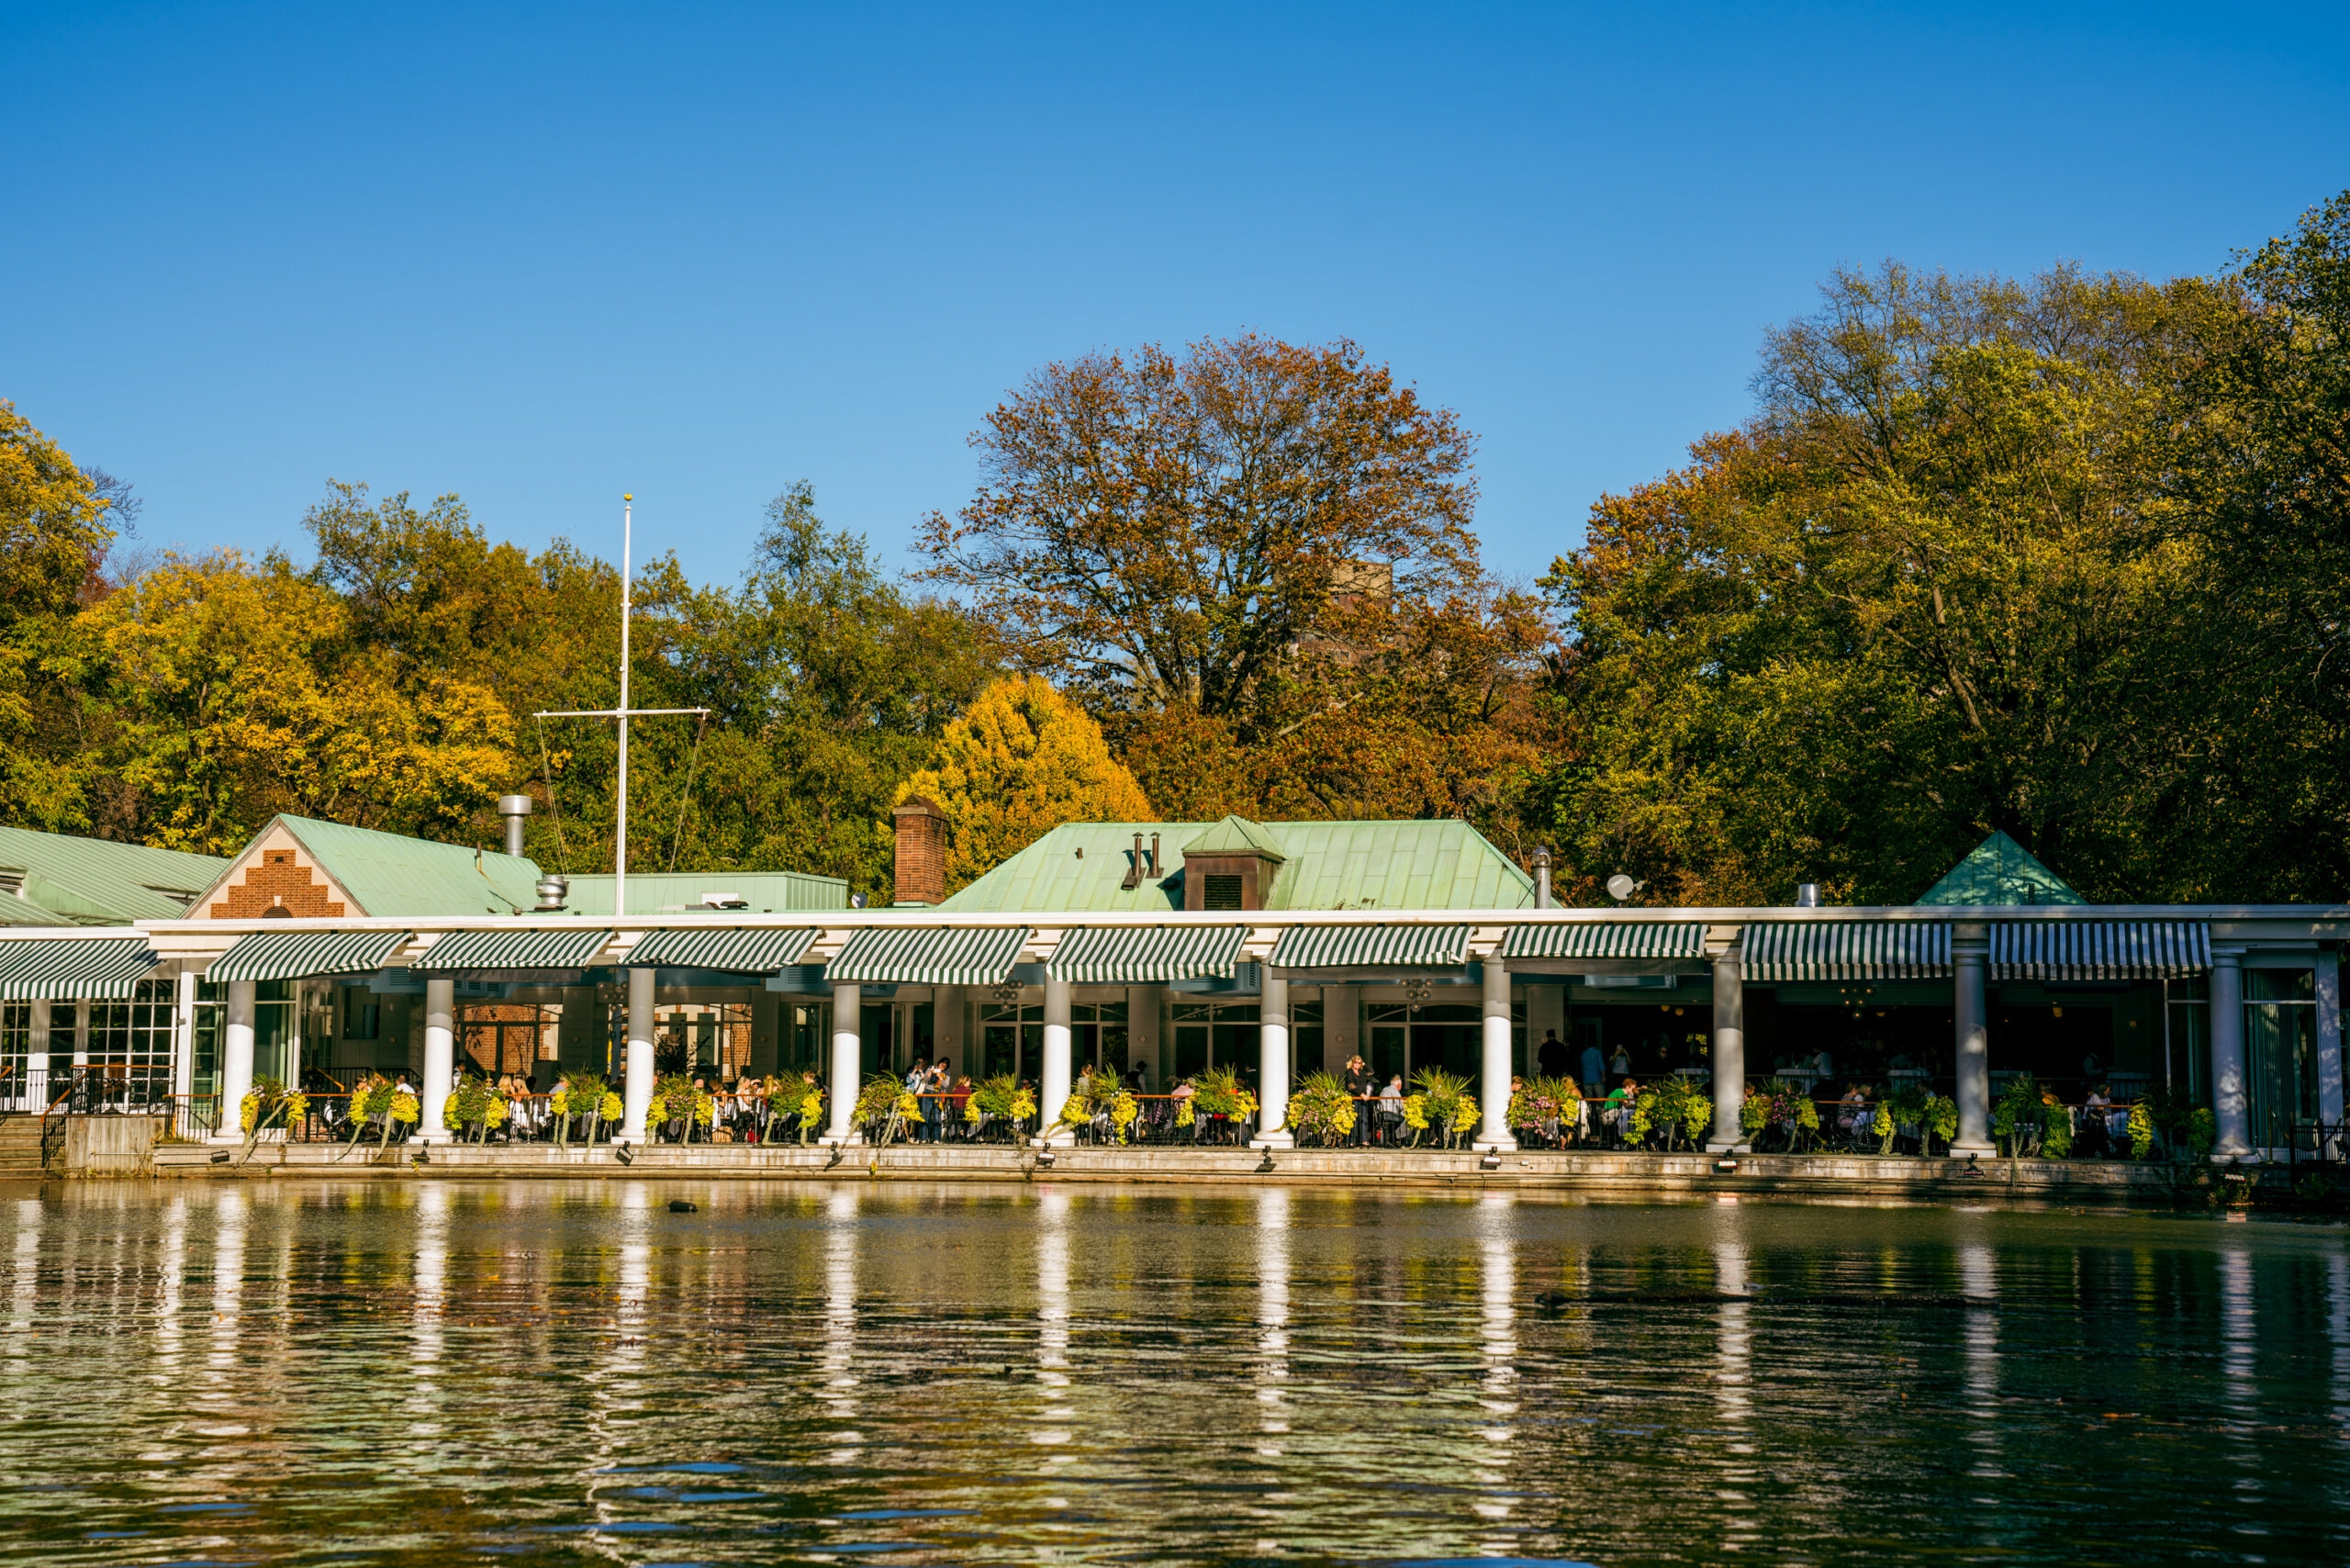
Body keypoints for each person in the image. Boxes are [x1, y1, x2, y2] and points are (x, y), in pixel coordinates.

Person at [1345, 1055, 1377, 1146]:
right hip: (1354, 1098)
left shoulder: (1362, 1072)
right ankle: (1352, 1140)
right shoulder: (1349, 1072)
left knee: (1364, 1119)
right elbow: (1351, 1086)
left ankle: (1364, 1140)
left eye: (1359, 1063)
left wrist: (1364, 1064)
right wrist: (1362, 1094)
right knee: (1354, 1119)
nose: (1357, 1064)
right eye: (1356, 1062)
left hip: (1362, 1099)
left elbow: (1371, 1072)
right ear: (1352, 1063)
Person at [1377, 1074, 1404, 1145]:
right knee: (1406, 1120)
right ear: (1398, 1085)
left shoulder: (1385, 1089)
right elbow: (1401, 1106)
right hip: (1390, 1114)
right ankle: (1397, 1139)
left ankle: (1393, 1139)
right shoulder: (1394, 1091)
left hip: (1381, 1114)